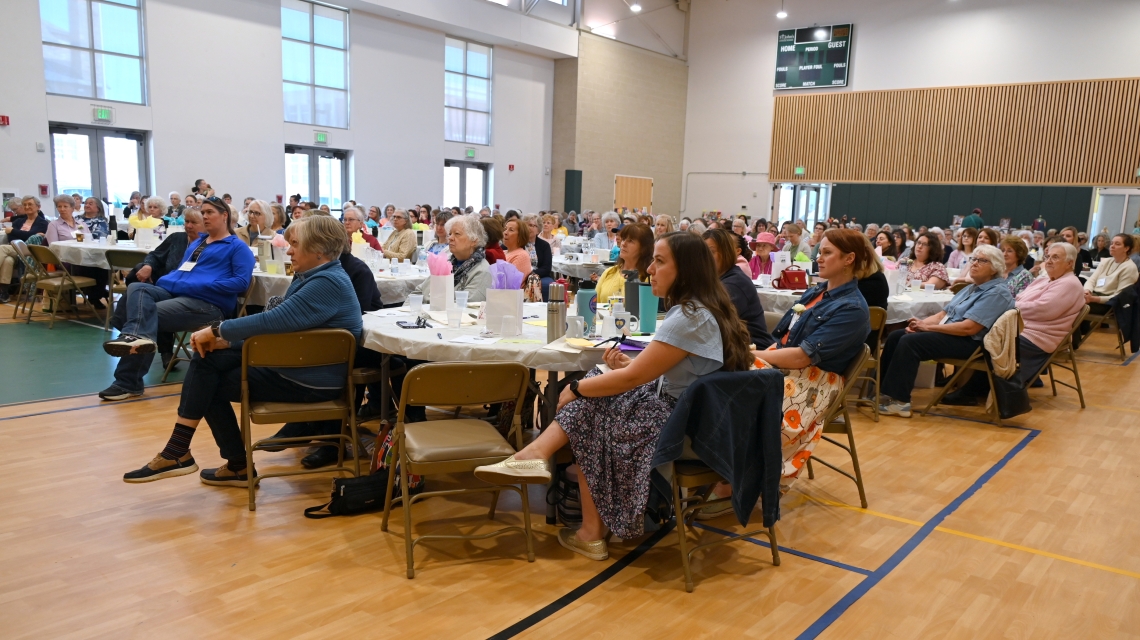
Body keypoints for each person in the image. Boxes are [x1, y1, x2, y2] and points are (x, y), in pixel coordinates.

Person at [472, 232, 755, 559]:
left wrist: (574, 388)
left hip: (687, 428)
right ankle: (565, 497)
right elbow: (673, 369)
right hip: (697, 417)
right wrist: (621, 369)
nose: (650, 269)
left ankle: (568, 500)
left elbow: (634, 378)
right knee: (597, 390)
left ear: (686, 270)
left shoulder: (689, 316)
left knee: (591, 401)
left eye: (660, 262)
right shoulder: (704, 309)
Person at [121, 216, 362, 485]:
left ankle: (203, 456)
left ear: (319, 249)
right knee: (206, 362)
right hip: (295, 366)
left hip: (309, 380)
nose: (289, 250)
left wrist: (217, 331)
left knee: (206, 379)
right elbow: (281, 332)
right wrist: (225, 342)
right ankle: (195, 455)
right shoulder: (317, 277)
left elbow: (273, 322)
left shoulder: (326, 283)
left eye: (295, 244)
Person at [100, 196, 255, 402]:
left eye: (210, 213)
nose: (205, 217)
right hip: (177, 294)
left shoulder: (237, 247)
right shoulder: (198, 243)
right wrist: (169, 281)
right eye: (203, 212)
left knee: (147, 315)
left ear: (224, 215)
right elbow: (183, 272)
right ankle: (134, 339)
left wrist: (201, 285)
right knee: (137, 288)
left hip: (207, 305)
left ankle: (127, 381)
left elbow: (240, 283)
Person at [878, 244, 1015, 417]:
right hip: (953, 334)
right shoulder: (971, 288)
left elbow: (969, 328)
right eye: (973, 259)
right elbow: (943, 313)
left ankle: (900, 402)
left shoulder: (997, 293)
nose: (974, 263)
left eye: (981, 260)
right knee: (898, 335)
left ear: (995, 267)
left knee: (909, 343)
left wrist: (928, 328)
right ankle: (882, 393)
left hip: (973, 343)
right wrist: (919, 324)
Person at [944, 242, 1087, 405]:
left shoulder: (1070, 283)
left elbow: (1043, 310)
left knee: (987, 343)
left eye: (1055, 257)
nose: (1049, 261)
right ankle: (962, 383)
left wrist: (1003, 304)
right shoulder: (1045, 280)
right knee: (978, 334)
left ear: (1070, 263)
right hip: (1020, 328)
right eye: (1047, 256)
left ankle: (970, 391)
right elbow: (1020, 298)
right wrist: (1006, 304)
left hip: (1037, 338)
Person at [704, 229, 773, 349]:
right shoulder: (715, 277)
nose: (704, 258)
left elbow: (711, 324)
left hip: (752, 350)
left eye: (710, 252)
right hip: (729, 347)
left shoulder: (734, 284)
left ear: (726, 253)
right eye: (702, 252)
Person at [1077, 233, 1139, 344]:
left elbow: (1120, 296)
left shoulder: (1130, 268)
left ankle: (1071, 341)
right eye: (1112, 243)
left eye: (1117, 244)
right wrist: (1087, 291)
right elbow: (1092, 280)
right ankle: (1071, 339)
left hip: (1109, 305)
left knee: (1071, 304)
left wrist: (1094, 299)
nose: (1112, 246)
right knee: (1068, 300)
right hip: (1093, 296)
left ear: (1126, 248)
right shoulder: (1107, 261)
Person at [415, 214, 491, 304]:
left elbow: (465, 303)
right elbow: (418, 292)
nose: (450, 238)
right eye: (450, 234)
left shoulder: (483, 271)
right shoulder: (447, 264)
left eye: (457, 234)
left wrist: (430, 297)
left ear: (474, 241)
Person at [592, 223, 653, 303]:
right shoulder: (609, 272)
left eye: (630, 241)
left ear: (644, 248)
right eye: (623, 239)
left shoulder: (649, 278)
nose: (623, 244)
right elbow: (593, 304)